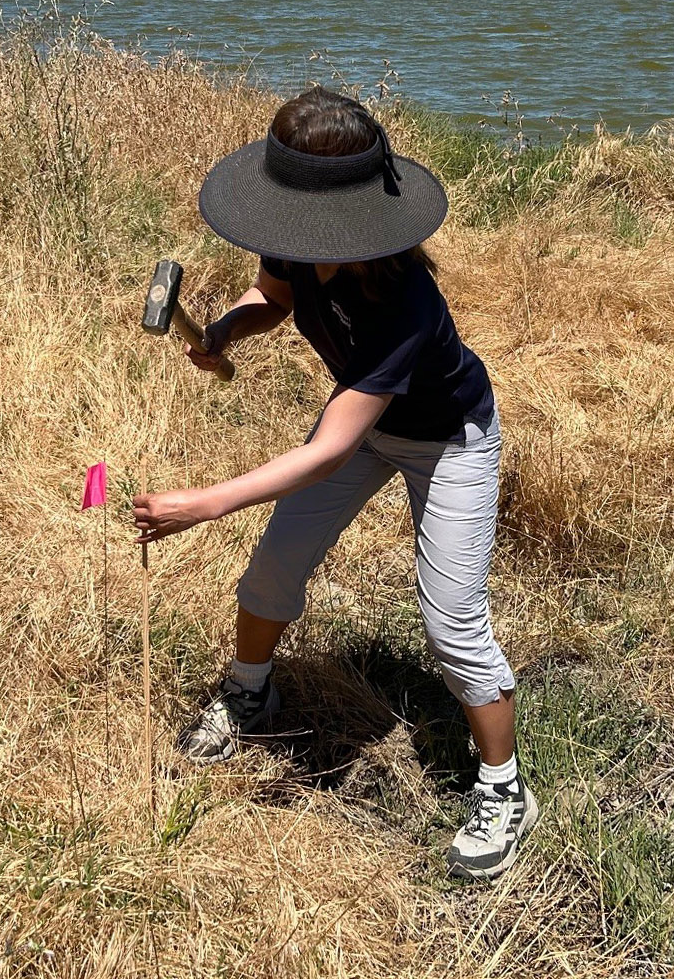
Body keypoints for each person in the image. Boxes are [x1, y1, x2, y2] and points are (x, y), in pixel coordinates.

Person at [130, 86, 535, 881]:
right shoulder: (297, 235)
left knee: (452, 624)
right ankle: (251, 694)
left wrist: (205, 502)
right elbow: (272, 298)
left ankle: (504, 787)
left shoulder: (404, 302)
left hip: (448, 438)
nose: (293, 241)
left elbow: (328, 450)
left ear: (354, 216)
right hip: (367, 424)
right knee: (274, 568)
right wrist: (222, 330)